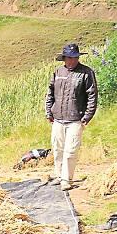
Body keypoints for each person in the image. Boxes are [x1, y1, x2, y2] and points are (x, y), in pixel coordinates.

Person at [45, 43, 98, 191]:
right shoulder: (58, 72)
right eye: (69, 58)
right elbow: (50, 93)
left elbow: (92, 95)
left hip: (76, 119)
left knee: (70, 151)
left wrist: (88, 116)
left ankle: (67, 180)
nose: (72, 60)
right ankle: (59, 175)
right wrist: (49, 111)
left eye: (75, 58)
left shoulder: (86, 73)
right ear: (64, 58)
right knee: (57, 149)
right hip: (58, 119)